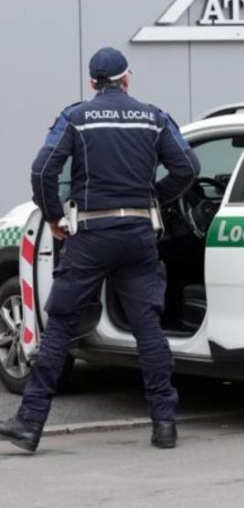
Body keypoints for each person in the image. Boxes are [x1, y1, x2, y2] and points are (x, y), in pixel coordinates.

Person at [0, 48, 199, 453]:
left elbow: (42, 169)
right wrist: (153, 200)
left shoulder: (76, 117)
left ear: (93, 82)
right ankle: (164, 425)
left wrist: (54, 216)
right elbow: (189, 168)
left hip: (90, 235)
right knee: (147, 328)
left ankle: (29, 423)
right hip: (139, 234)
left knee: (60, 325)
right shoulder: (154, 117)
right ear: (127, 79)